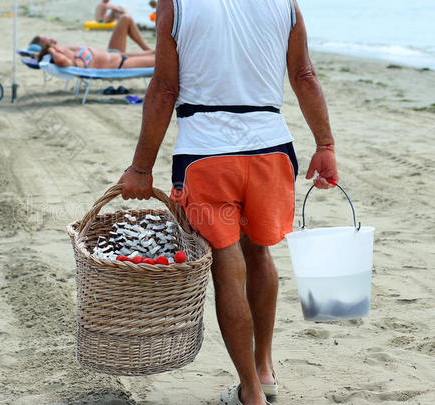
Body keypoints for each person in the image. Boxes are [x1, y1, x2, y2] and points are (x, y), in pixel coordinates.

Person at [118, 0, 338, 404]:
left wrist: (140, 168)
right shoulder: (284, 4)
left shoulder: (176, 4)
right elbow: (304, 75)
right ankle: (264, 369)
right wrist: (325, 144)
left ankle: (250, 393)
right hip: (271, 148)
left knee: (226, 262)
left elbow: (165, 88)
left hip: (205, 152)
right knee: (260, 253)